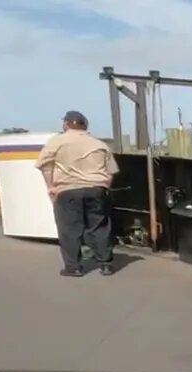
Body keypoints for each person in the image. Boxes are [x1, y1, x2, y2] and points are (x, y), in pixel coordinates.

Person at [35, 111, 119, 276]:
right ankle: (106, 264)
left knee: (69, 229)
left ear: (65, 124)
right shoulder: (99, 144)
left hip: (68, 190)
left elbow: (45, 166)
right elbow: (111, 172)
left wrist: (51, 188)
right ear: (85, 125)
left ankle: (73, 267)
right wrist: (104, 187)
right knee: (99, 227)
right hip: (96, 189)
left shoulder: (56, 142)